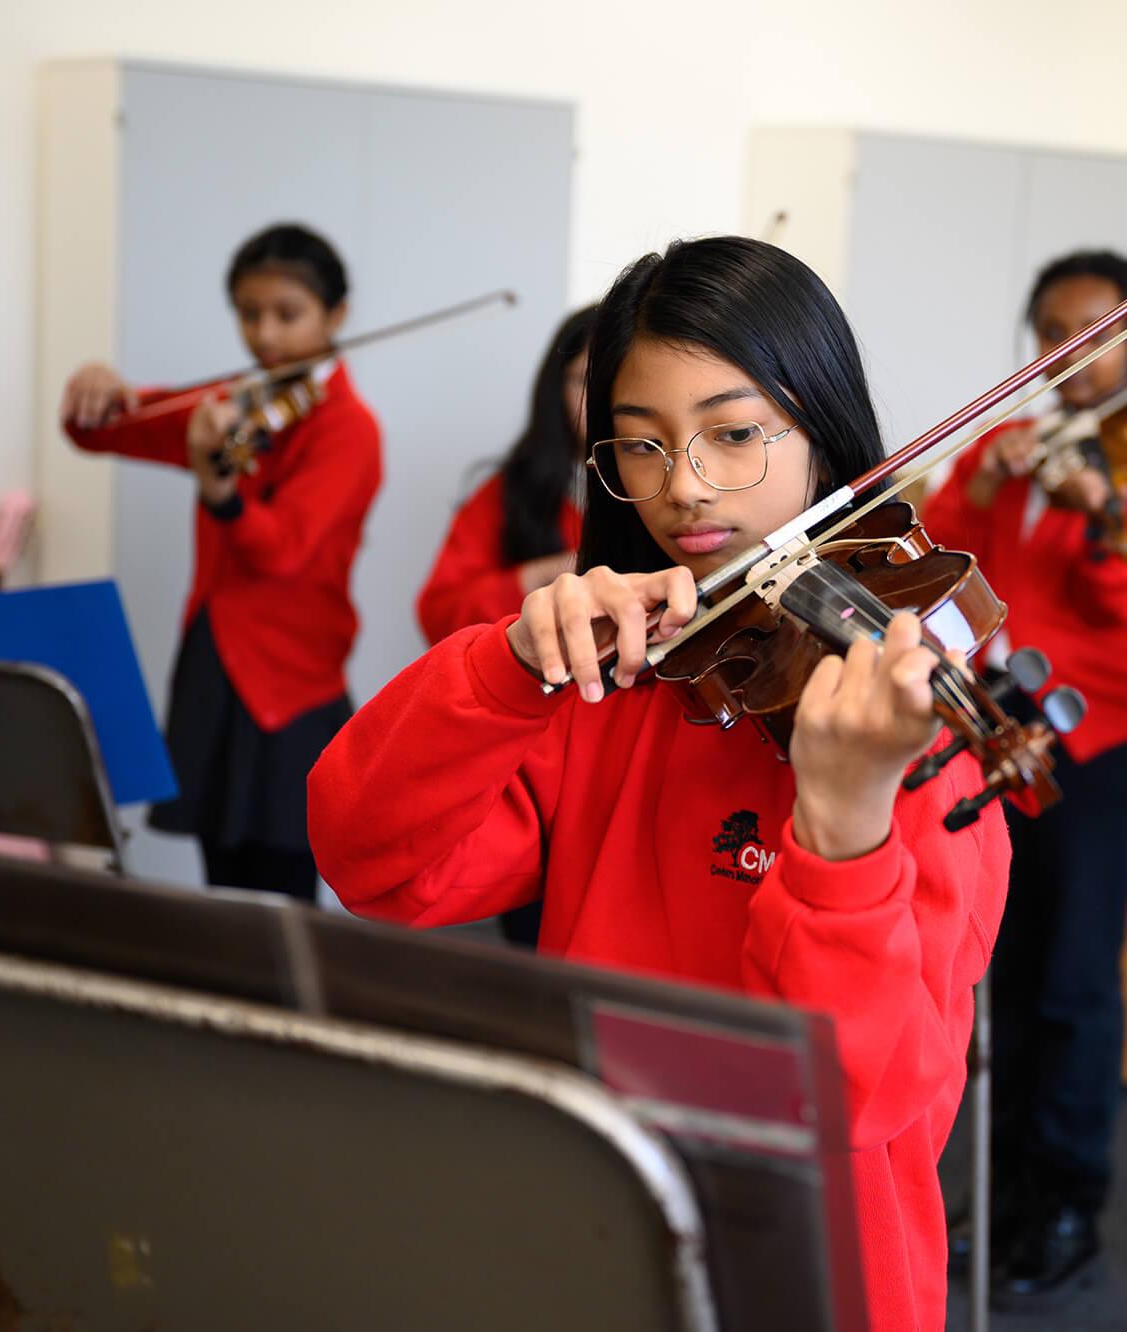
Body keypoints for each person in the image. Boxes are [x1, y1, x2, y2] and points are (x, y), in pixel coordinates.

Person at [307, 236, 1009, 1331]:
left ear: (823, 433)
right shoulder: (626, 680)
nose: (681, 487)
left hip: (814, 1274)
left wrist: (844, 827)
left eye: (733, 434)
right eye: (640, 444)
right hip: (599, 1238)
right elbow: (378, 865)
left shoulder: (900, 720)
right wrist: (502, 667)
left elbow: (861, 1097)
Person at [919, 248, 1127, 1305]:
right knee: (996, 975)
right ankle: (997, 1195)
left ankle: (1067, 1205)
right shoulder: (1002, 445)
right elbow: (938, 576)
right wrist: (984, 486)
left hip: (1098, 745)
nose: (1071, 353)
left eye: (1097, 333)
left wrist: (1094, 511)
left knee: (1074, 982)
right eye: (1051, 332)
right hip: (993, 733)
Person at [62, 222, 381, 901]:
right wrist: (97, 389)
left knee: (285, 885)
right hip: (214, 659)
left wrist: (222, 493)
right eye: (248, 313)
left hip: (292, 677)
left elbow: (284, 549)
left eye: (287, 314)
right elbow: (102, 429)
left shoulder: (349, 428)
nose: (265, 335)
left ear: (336, 315)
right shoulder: (236, 404)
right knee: (223, 878)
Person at [416, 304, 596, 645]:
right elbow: (438, 614)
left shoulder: (676, 484)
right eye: (585, 380)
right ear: (556, 388)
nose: (602, 399)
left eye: (618, 379)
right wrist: (543, 574)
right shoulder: (511, 490)